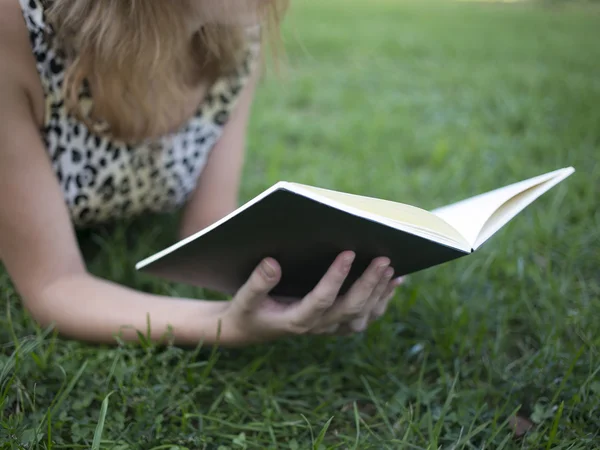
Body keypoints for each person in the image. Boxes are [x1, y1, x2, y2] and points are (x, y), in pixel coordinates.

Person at [0, 0, 404, 347]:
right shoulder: (17, 27)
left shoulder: (235, 30)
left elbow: (207, 225)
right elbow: (54, 285)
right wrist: (226, 324)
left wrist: (307, 282)